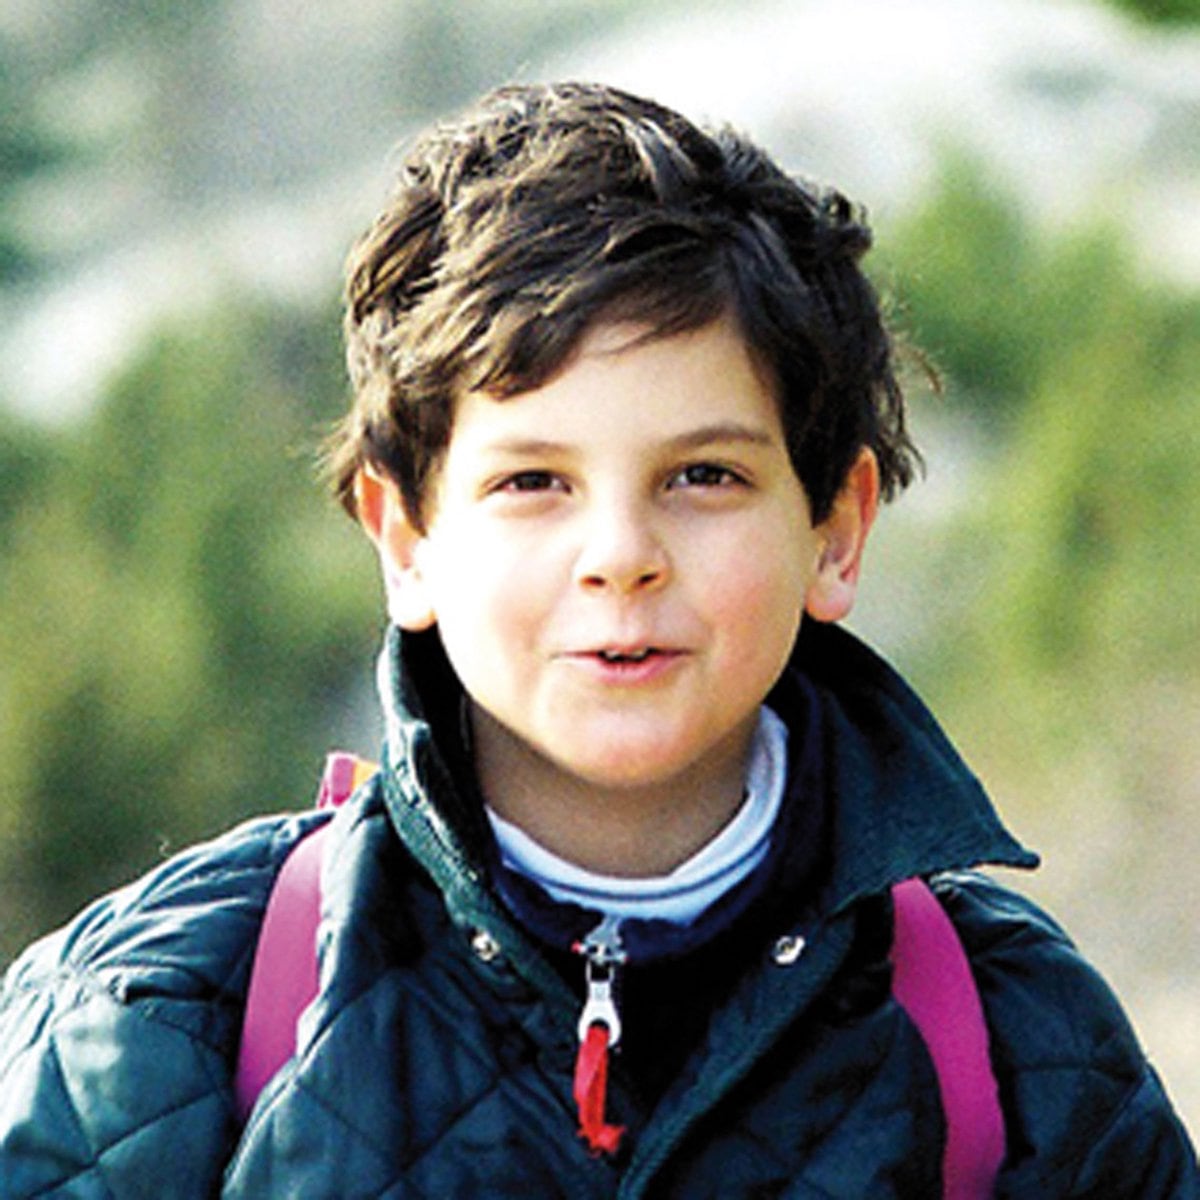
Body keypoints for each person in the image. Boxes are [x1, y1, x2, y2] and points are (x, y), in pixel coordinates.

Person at [0, 81, 1195, 1198]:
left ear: (837, 530)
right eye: (533, 482)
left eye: (704, 474)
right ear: (405, 538)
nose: (621, 555)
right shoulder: (161, 1017)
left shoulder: (1014, 1044)